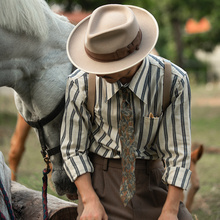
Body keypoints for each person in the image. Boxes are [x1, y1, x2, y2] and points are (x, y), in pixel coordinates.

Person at [61, 4, 193, 220]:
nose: (98, 71)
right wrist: (89, 200)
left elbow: (178, 152)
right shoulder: (81, 83)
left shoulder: (173, 82)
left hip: (155, 180)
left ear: (133, 57)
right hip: (101, 182)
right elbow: (73, 149)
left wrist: (170, 211)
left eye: (106, 66)